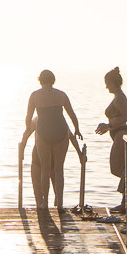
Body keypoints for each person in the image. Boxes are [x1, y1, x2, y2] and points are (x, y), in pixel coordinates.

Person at [23, 70, 80, 222]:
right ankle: (60, 203)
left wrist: (28, 128)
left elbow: (28, 117)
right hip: (61, 129)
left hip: (43, 130)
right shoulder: (61, 94)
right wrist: (77, 129)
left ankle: (44, 203)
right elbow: (71, 114)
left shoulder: (34, 95)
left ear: (40, 80)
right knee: (59, 169)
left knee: (45, 169)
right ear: (53, 80)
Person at [96, 66, 127, 213]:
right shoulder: (117, 97)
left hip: (122, 134)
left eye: (107, 83)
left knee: (119, 169)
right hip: (116, 133)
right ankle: (126, 202)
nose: (106, 87)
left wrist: (109, 125)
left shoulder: (120, 97)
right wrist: (108, 128)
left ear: (114, 83)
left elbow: (125, 117)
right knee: (123, 169)